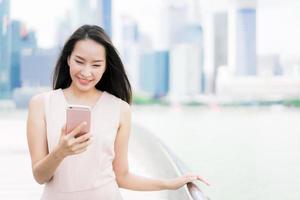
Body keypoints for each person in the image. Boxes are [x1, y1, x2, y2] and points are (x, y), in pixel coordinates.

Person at [26, 25, 209, 200]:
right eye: (79, 61)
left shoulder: (120, 109)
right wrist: (60, 152)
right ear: (68, 59)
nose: (86, 72)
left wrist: (169, 183)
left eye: (96, 65)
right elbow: (40, 176)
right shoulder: (41, 104)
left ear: (106, 66)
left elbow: (122, 176)